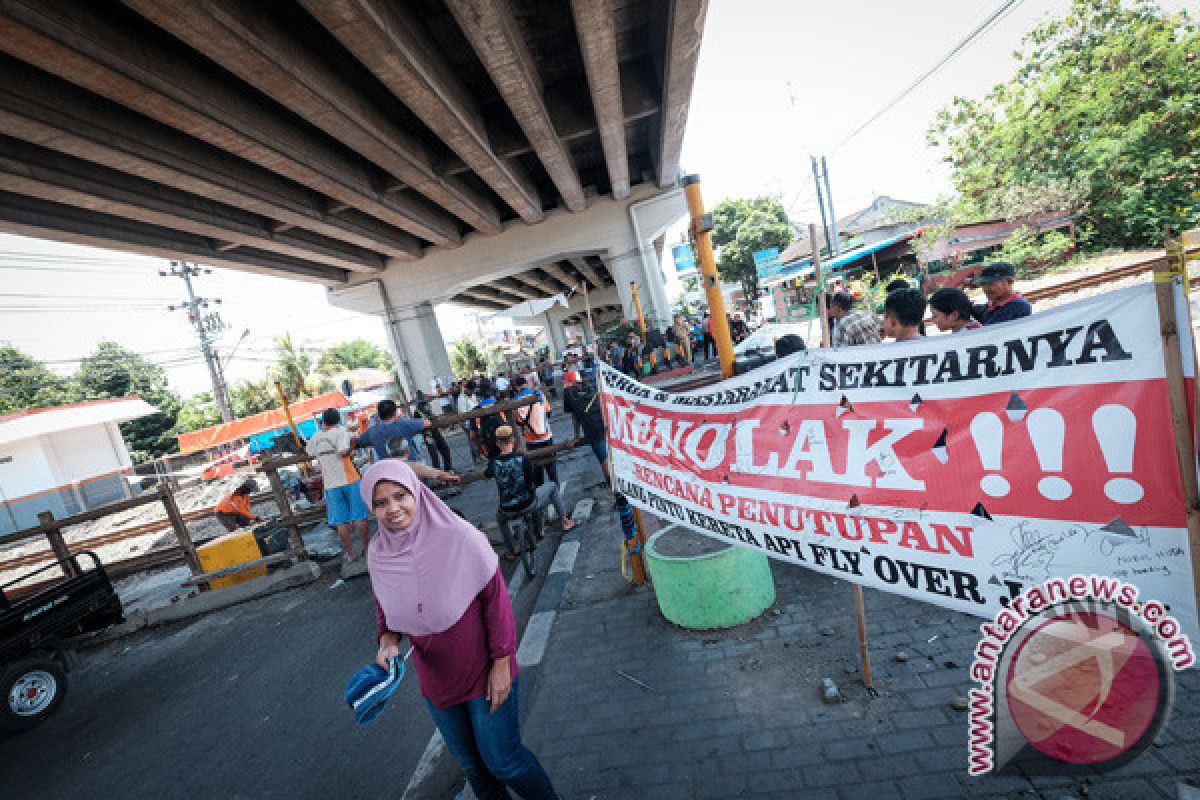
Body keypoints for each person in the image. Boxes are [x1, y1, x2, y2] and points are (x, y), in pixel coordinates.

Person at [363, 460, 558, 800]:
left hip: (485, 670)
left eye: (400, 496)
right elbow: (387, 611)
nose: (392, 509)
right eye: (381, 503)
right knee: (475, 770)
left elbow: (496, 600)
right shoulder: (379, 553)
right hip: (438, 681)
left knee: (504, 762)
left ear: (417, 493)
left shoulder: (458, 536)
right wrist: (387, 644)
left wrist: (501, 665)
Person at [490, 425, 575, 560]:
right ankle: (564, 521)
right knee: (551, 486)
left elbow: (488, 473)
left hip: (507, 509)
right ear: (513, 441)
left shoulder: (494, 463)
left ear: (497, 444)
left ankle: (511, 550)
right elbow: (532, 482)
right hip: (527, 503)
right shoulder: (522, 459)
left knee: (501, 520)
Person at [306, 408, 370, 561]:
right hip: (350, 479)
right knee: (359, 517)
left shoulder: (315, 437)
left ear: (323, 422)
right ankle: (367, 550)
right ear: (338, 421)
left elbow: (309, 452)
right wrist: (353, 444)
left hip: (330, 483)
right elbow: (343, 452)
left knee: (340, 522)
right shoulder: (340, 432)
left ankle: (350, 555)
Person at [561, 369, 610, 482]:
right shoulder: (591, 387)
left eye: (565, 382)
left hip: (592, 428)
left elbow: (575, 417)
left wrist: (576, 436)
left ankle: (615, 489)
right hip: (605, 422)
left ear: (570, 382)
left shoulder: (568, 393)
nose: (564, 385)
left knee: (603, 458)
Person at [512, 374, 559, 488]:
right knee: (551, 466)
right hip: (546, 435)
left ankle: (541, 494)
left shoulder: (515, 401)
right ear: (526, 384)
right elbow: (548, 412)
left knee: (537, 469)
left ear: (517, 387)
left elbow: (519, 422)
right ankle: (556, 490)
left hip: (531, 439)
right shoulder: (539, 394)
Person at [357, 399, 428, 464]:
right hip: (411, 466)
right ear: (395, 413)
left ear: (379, 415)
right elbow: (427, 423)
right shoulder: (403, 424)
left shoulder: (372, 432)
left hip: (390, 470)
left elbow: (358, 443)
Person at [413, 391, 454, 472]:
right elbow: (418, 424)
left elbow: (433, 418)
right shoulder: (417, 412)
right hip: (428, 434)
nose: (426, 403)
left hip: (435, 431)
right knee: (434, 454)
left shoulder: (428, 408)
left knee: (444, 448)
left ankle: (448, 468)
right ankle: (437, 471)